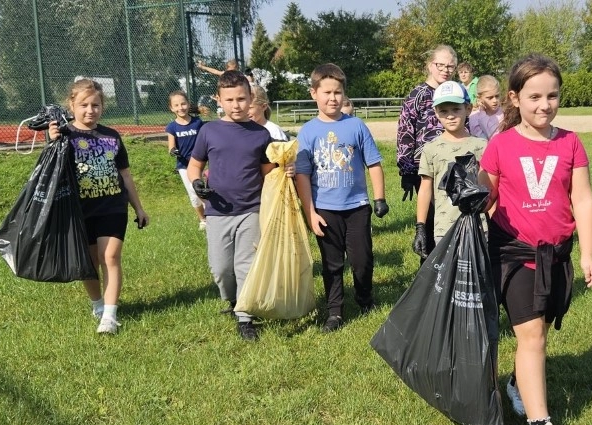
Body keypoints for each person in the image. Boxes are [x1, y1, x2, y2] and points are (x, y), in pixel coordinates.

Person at [478, 54, 592, 425]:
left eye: (552, 96)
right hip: (513, 254)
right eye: (534, 97)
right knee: (532, 336)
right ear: (515, 98)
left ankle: (517, 383)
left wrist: (586, 254)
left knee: (539, 329)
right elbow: (484, 196)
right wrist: (467, 190)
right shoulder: (501, 144)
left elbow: (582, 198)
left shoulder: (570, 142)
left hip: (557, 256)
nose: (544, 105)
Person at [187, 70, 294, 341]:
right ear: (219, 101)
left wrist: (284, 168)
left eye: (242, 99)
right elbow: (195, 166)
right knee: (221, 268)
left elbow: (267, 171)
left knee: (245, 264)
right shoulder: (208, 131)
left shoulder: (260, 135)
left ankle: (245, 316)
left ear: (251, 99)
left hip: (251, 208)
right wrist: (197, 182)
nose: (236, 105)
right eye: (230, 99)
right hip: (217, 210)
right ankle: (233, 301)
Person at [48, 79, 149, 334]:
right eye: (84, 105)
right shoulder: (65, 136)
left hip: (112, 207)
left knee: (110, 257)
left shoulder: (111, 136)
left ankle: (110, 317)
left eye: (95, 105)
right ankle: (98, 305)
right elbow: (52, 169)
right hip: (81, 210)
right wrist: (53, 141)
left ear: (102, 106)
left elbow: (125, 175)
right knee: (90, 262)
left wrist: (138, 207)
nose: (90, 110)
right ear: (72, 105)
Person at [295, 63, 389, 333]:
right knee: (331, 264)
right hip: (325, 209)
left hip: (357, 207)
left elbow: (373, 163)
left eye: (337, 92)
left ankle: (364, 297)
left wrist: (379, 198)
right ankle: (334, 311)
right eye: (326, 92)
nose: (332, 98)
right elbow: (302, 175)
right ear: (314, 93)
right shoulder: (308, 132)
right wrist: (310, 212)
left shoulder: (356, 126)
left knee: (362, 260)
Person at [412, 81, 487, 258]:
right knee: (447, 281)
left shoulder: (482, 146)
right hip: (444, 227)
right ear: (436, 113)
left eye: (456, 109)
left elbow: (489, 188)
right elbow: (425, 189)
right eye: (444, 111)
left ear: (468, 109)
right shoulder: (430, 149)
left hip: (477, 227)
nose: (450, 116)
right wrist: (421, 226)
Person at [396, 45, 457, 261]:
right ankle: (428, 267)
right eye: (440, 64)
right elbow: (405, 130)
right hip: (426, 169)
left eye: (450, 65)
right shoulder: (418, 94)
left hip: (452, 165)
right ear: (430, 65)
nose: (445, 69)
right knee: (431, 219)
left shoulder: (456, 93)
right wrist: (407, 169)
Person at [165, 90, 206, 230]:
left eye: (183, 104)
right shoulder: (172, 127)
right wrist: (173, 151)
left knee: (204, 189)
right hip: (184, 166)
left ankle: (213, 215)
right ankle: (203, 220)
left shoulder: (197, 123)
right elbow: (171, 146)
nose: (180, 107)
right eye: (176, 105)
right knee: (193, 192)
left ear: (188, 105)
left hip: (201, 163)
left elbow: (204, 141)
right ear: (171, 108)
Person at [469, 75, 503, 140]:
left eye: (497, 96)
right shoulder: (474, 117)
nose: (495, 100)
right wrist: (482, 114)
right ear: (479, 98)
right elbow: (483, 140)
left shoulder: (504, 114)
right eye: (490, 98)